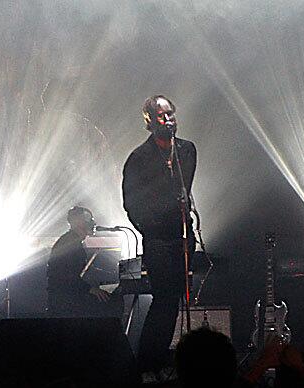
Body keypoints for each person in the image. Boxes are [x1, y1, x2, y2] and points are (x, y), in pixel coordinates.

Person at [122, 95, 197, 379]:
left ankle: (166, 360)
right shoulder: (139, 158)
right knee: (164, 299)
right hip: (158, 240)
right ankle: (147, 362)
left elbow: (184, 187)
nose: (169, 120)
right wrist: (151, 229)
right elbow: (131, 203)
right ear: (150, 122)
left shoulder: (188, 150)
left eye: (171, 115)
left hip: (182, 235)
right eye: (162, 116)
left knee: (177, 300)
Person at [46, 206, 122, 318]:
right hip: (66, 302)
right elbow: (66, 275)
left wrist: (112, 273)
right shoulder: (69, 243)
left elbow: (76, 271)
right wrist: (90, 289)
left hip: (66, 298)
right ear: (76, 222)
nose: (92, 222)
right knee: (111, 302)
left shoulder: (72, 241)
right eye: (87, 219)